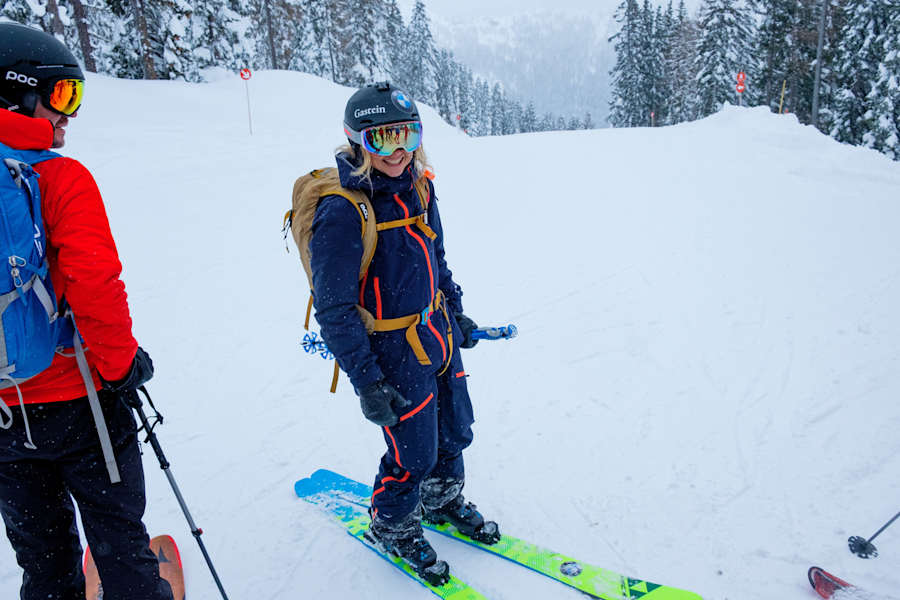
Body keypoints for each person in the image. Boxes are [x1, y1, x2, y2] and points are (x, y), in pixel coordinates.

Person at [0, 22, 171, 600]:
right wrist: (122, 366)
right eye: (61, 95)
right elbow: (95, 285)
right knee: (120, 544)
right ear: (16, 95)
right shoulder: (58, 176)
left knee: (43, 561)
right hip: (79, 403)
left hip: (4, 419)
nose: (68, 115)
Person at [304, 82, 500, 585]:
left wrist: (457, 314)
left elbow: (437, 258)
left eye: (407, 136)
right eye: (382, 138)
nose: (397, 151)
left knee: (455, 428)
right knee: (413, 451)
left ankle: (441, 500)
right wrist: (367, 381)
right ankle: (392, 524)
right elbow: (334, 309)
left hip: (436, 331)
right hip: (391, 349)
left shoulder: (420, 187)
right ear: (357, 141)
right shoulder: (343, 211)